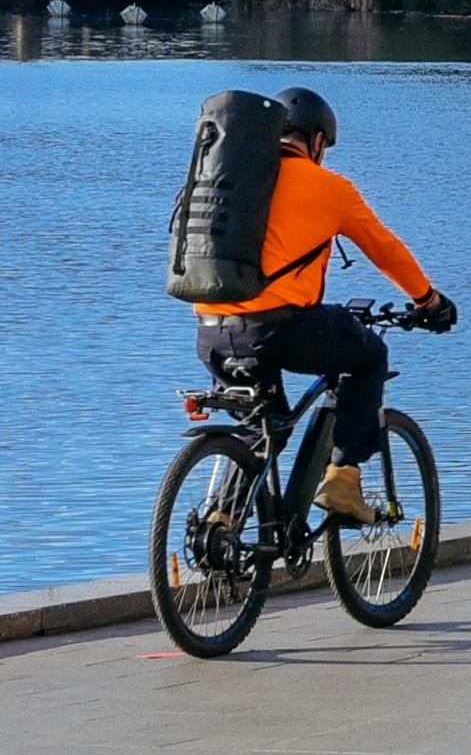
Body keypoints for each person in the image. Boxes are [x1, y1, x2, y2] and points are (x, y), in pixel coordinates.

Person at [189, 86, 456, 521]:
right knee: (369, 356)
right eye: (324, 147)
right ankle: (343, 479)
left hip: (211, 328)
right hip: (278, 330)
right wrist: (428, 300)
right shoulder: (331, 188)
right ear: (315, 142)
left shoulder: (233, 175)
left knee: (263, 426)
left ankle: (222, 523)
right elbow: (385, 249)